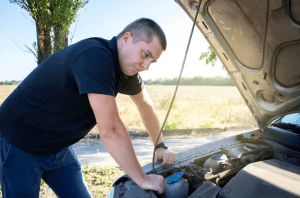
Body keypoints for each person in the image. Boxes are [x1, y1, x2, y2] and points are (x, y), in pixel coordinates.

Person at [0, 18, 176, 197]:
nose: (146, 66)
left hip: (58, 147)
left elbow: (145, 106)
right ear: (126, 38)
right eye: (145, 55)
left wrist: (160, 144)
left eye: (152, 61)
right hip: (20, 142)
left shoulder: (128, 70)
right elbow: (111, 130)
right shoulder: (96, 56)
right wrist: (142, 178)